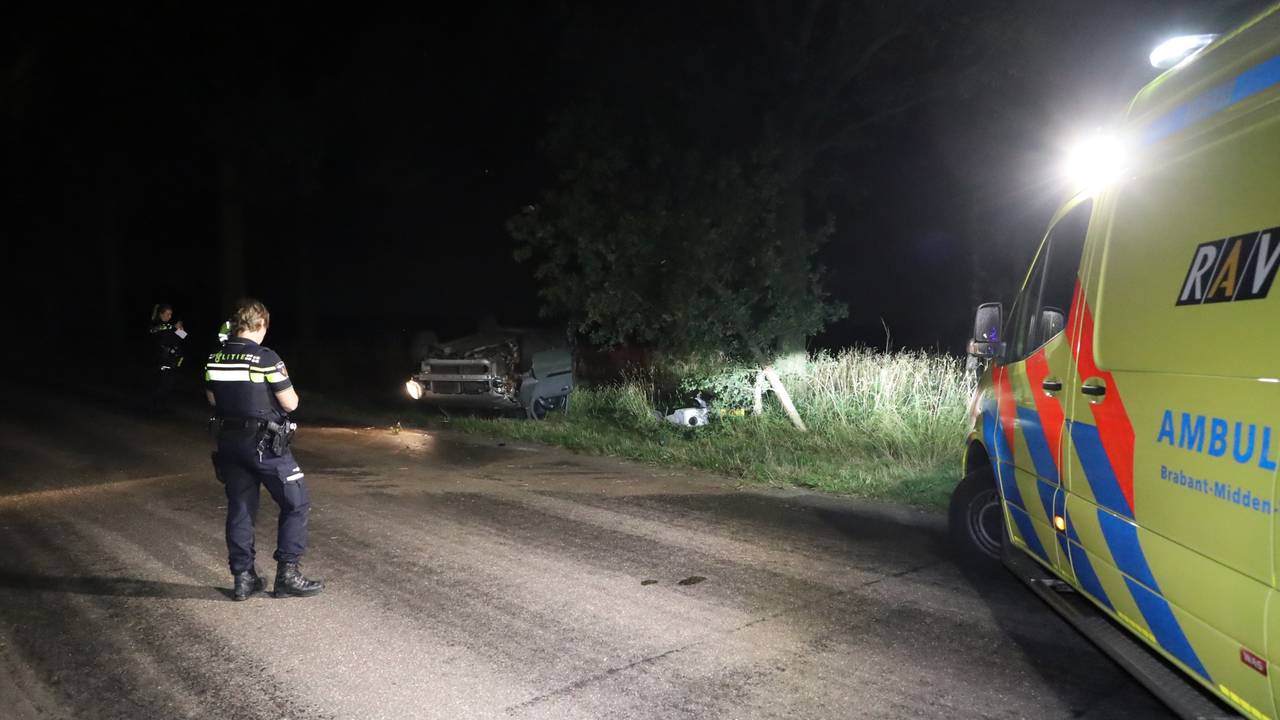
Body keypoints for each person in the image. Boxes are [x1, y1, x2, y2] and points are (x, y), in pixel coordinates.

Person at [205, 298, 323, 601]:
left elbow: (213, 399)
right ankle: (288, 575)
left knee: (241, 508)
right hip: (264, 445)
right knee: (296, 503)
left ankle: (243, 578)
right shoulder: (265, 358)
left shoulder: (214, 358)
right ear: (260, 324)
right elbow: (290, 403)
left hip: (229, 443)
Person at [148, 304, 186, 406]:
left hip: (172, 359)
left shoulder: (169, 326)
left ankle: (159, 405)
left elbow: (183, 336)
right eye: (168, 314)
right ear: (161, 314)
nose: (170, 316)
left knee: (169, 384)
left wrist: (180, 329)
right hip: (160, 359)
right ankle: (153, 405)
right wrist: (174, 329)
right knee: (161, 383)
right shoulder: (156, 325)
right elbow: (158, 334)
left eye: (171, 314)